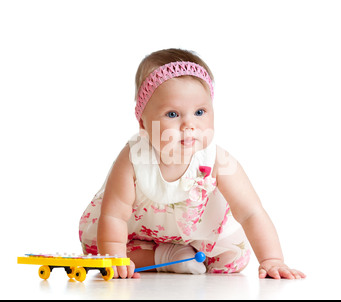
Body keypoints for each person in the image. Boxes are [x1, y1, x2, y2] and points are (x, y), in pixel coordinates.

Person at [79, 48, 306, 280]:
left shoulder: (217, 160)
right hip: (138, 236)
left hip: (197, 237)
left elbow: (251, 212)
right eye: (173, 114)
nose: (189, 124)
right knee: (103, 252)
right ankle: (164, 258)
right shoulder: (133, 159)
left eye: (199, 112)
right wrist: (116, 260)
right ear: (144, 124)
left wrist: (272, 260)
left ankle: (184, 257)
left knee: (231, 260)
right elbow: (114, 216)